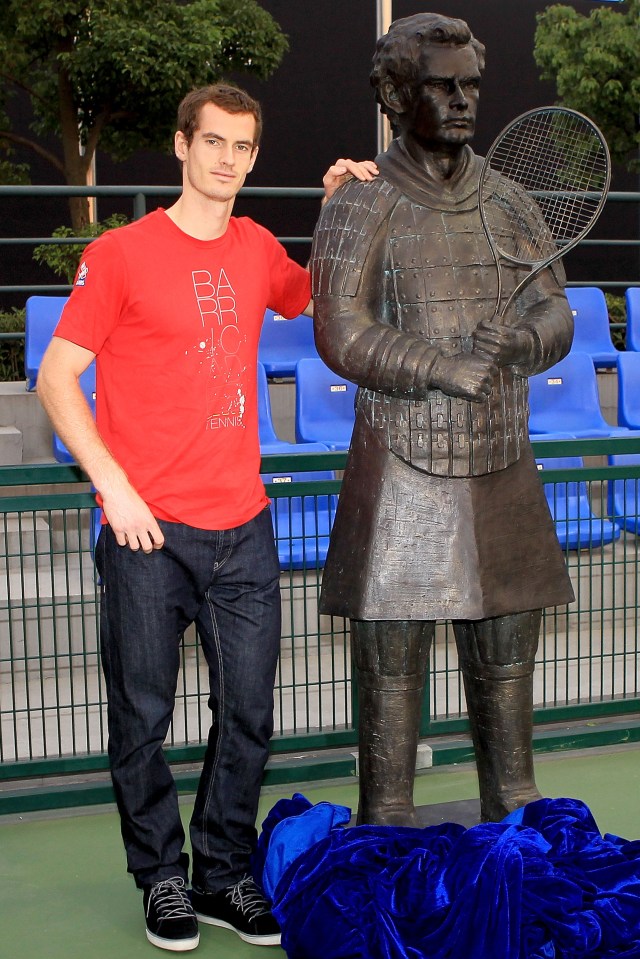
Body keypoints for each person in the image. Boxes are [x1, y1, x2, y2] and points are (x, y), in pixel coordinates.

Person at [37, 83, 377, 953]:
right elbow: (55, 378)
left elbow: (315, 296)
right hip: (146, 531)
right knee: (142, 718)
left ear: (255, 157)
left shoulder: (258, 246)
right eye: (213, 142)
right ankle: (160, 877)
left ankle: (223, 872)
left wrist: (337, 214)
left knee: (250, 713)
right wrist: (112, 486)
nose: (228, 160)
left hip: (243, 525)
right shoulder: (120, 255)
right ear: (182, 144)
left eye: (243, 147)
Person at [310, 14, 575, 829]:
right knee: (392, 655)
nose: (463, 101)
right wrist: (439, 365)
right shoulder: (361, 204)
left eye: (471, 87)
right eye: (442, 85)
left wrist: (523, 340)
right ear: (396, 94)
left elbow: (558, 310)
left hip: (500, 447)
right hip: (401, 455)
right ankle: (387, 812)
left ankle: (514, 799)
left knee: (506, 646)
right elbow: (340, 331)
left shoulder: (509, 197)